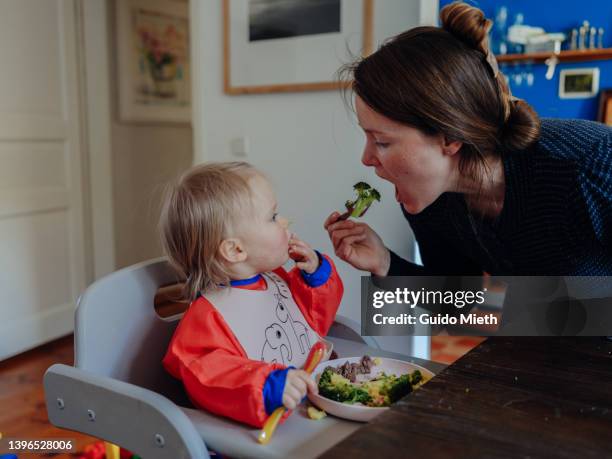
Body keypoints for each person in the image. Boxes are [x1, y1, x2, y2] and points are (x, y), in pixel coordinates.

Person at [325, 2, 612, 331]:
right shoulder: (434, 201)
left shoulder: (590, 162)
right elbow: (458, 304)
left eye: (383, 142)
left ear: (449, 137)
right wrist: (385, 263)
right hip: (544, 352)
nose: (366, 158)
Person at [161, 162, 343, 427]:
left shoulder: (275, 280)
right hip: (268, 428)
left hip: (316, 404)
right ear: (235, 251)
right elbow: (208, 375)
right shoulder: (208, 318)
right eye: (272, 217)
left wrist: (315, 277)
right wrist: (269, 386)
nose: (284, 222)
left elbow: (311, 322)